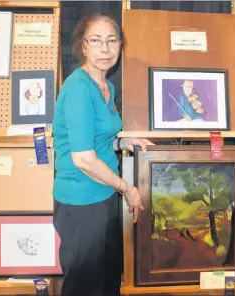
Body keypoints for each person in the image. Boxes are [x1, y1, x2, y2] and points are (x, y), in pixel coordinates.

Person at [52, 13, 153, 296]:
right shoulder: (78, 88)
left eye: (112, 41)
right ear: (83, 46)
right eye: (96, 41)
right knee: (84, 286)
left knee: (108, 280)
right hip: (81, 203)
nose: (105, 48)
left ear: (120, 46)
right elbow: (83, 158)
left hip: (105, 197)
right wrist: (127, 189)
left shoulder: (106, 87)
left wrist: (126, 141)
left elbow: (99, 141)